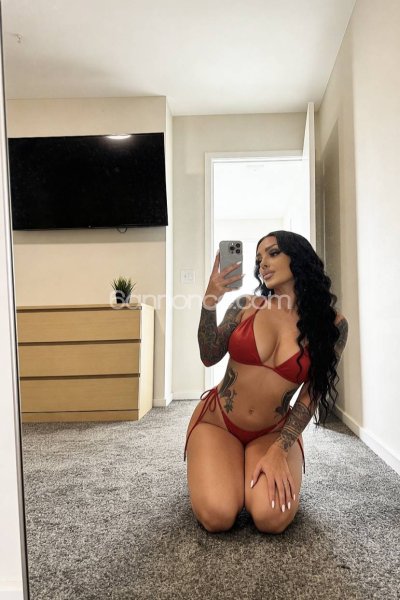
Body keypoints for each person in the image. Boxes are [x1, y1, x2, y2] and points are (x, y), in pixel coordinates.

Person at [184, 230, 348, 534]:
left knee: (270, 518)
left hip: (273, 432)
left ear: (299, 258)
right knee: (217, 516)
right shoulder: (246, 305)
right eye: (259, 259)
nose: (263, 264)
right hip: (219, 423)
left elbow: (312, 393)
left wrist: (280, 448)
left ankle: (242, 469)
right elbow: (209, 355)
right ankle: (221, 467)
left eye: (272, 253)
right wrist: (210, 301)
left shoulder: (333, 326)